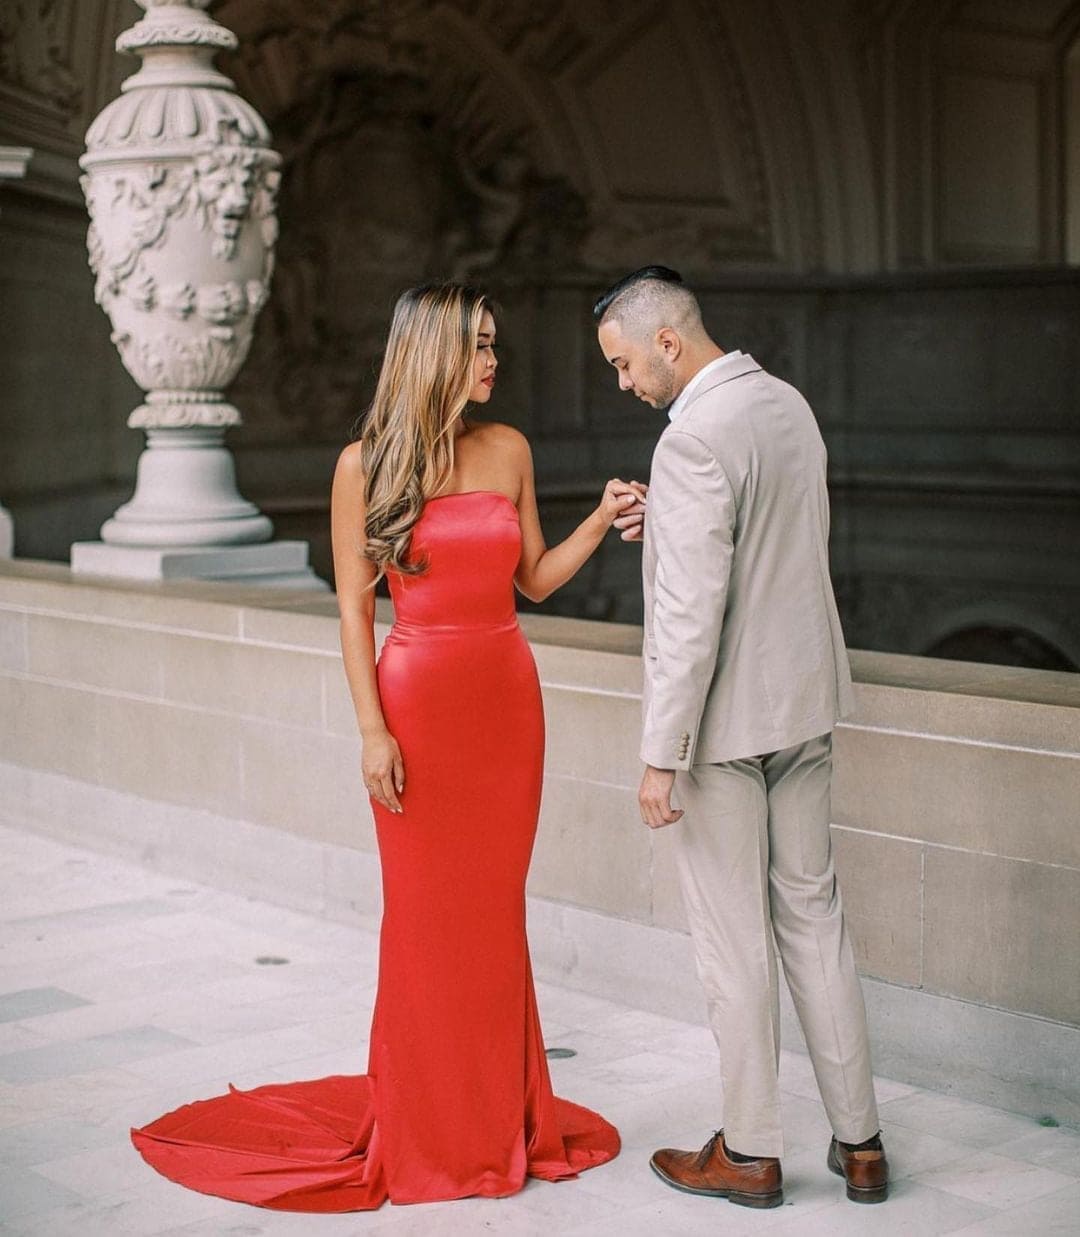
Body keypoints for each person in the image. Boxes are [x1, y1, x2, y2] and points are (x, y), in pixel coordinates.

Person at [130, 283, 629, 1211]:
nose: (492, 361)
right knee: (424, 920)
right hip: (417, 707)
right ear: (434, 351)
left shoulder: (509, 448)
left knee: (492, 913)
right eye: (478, 345)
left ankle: (496, 1120)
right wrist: (371, 730)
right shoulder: (365, 465)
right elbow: (356, 608)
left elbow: (533, 579)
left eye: (494, 343)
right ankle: (429, 1129)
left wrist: (599, 520)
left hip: (506, 704)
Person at [595, 267, 889, 1209]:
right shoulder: (788, 405)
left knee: (735, 944)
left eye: (626, 362)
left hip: (723, 728)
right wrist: (666, 528)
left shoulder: (690, 441)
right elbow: (773, 546)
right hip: (803, 702)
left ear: (669, 342)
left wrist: (658, 751)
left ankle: (752, 1150)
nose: (625, 382)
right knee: (817, 915)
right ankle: (863, 1141)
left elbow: (692, 612)